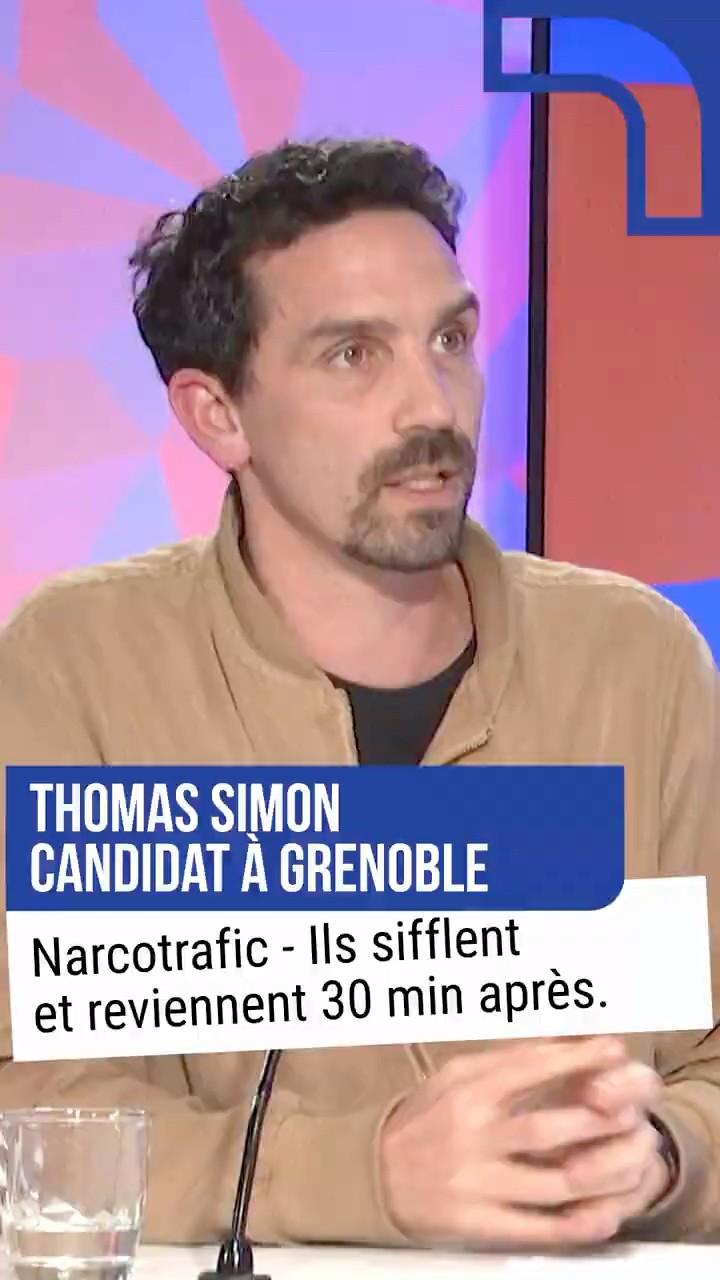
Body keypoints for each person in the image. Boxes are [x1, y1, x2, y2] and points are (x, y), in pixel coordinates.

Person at [0, 136, 718, 1252]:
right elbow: (31, 1104)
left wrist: (660, 1154)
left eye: (451, 340)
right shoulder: (79, 665)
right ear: (216, 414)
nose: (431, 406)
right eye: (352, 355)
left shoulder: (637, 659)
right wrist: (359, 1172)